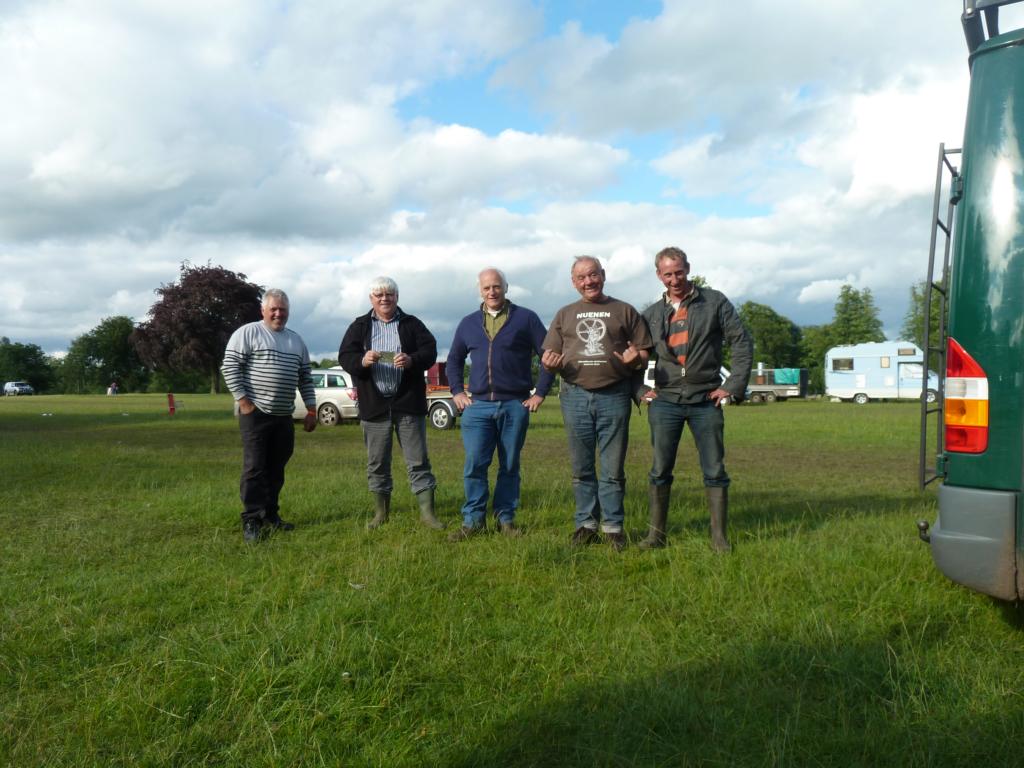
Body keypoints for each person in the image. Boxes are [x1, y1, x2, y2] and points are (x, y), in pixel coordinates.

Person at [639, 246, 753, 552]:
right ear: (659, 275)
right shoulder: (651, 314)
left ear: (688, 269)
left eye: (679, 272)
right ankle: (655, 536)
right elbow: (633, 354)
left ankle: (719, 538)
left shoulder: (714, 302)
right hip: (665, 402)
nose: (674, 279)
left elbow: (741, 342)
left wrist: (732, 385)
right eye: (667, 274)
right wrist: (639, 389)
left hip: (705, 400)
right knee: (660, 470)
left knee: (714, 470)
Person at [541, 256, 653, 551]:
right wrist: (549, 365)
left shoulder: (624, 310)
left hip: (615, 395)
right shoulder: (564, 314)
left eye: (593, 275)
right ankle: (586, 525)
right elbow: (550, 356)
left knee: (612, 469)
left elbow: (643, 355)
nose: (588, 281)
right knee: (581, 468)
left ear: (603, 275)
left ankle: (613, 528)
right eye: (581, 277)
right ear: (573, 282)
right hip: (575, 396)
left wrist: (636, 359)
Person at [445, 267, 555, 541]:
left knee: (509, 465)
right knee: (475, 465)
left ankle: (505, 519)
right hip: (477, 407)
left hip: (514, 405)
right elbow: (454, 360)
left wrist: (540, 393)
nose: (492, 292)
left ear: (506, 288)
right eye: (486, 288)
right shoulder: (468, 323)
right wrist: (457, 391)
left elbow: (549, 357)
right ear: (479, 290)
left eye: (496, 286)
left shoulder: (526, 318)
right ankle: (473, 521)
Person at [338, 276, 445, 531]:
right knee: (377, 464)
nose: (384, 299)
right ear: (371, 299)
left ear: (397, 297)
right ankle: (380, 514)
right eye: (379, 295)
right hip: (374, 406)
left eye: (389, 294)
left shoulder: (412, 323)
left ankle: (428, 515)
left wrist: (411, 360)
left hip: (408, 404)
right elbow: (345, 356)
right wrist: (362, 361)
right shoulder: (359, 326)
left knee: (418, 461)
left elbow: (430, 351)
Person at [221, 289, 317, 543]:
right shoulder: (247, 333)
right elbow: (229, 367)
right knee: (255, 467)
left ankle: (270, 516)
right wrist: (244, 402)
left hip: (284, 415)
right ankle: (252, 519)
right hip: (256, 413)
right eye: (273, 309)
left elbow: (305, 378)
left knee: (276, 468)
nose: (278, 313)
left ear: (288, 312)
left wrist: (311, 409)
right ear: (263, 310)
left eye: (282, 309)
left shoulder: (296, 341)